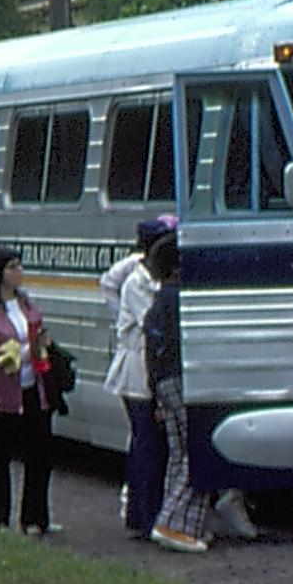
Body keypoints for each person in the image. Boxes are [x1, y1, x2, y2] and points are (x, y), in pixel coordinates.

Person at [0, 245, 55, 535]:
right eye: (12, 267)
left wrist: (42, 346)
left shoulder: (27, 303)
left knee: (40, 454)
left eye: (20, 266)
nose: (20, 272)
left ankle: (35, 517)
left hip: (32, 386)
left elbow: (38, 334)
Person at [142, 231, 213, 553]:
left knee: (177, 453)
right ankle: (173, 522)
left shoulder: (159, 300)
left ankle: (176, 520)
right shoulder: (181, 299)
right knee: (196, 453)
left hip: (162, 381)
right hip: (184, 378)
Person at [103, 214, 173, 537]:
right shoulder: (136, 282)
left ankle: (138, 514)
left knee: (144, 445)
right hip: (137, 373)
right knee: (149, 447)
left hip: (146, 369)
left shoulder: (151, 278)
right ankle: (147, 517)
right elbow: (152, 320)